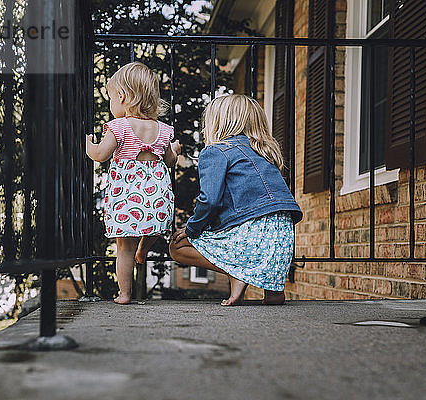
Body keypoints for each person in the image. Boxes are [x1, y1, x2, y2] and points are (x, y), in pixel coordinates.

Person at [169, 94, 302, 306]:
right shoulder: (265, 152)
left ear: (219, 124)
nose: (204, 130)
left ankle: (238, 273)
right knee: (273, 297)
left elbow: (210, 201)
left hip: (250, 234)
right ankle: (273, 290)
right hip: (282, 240)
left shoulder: (215, 152)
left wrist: (192, 228)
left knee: (178, 247)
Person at [86, 62, 181, 304]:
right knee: (156, 226)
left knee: (123, 249)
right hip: (156, 198)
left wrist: (88, 144)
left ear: (122, 96)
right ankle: (145, 247)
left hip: (128, 199)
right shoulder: (163, 130)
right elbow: (170, 161)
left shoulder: (119, 127)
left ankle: (125, 294)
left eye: (111, 98)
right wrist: (176, 151)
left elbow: (100, 155)